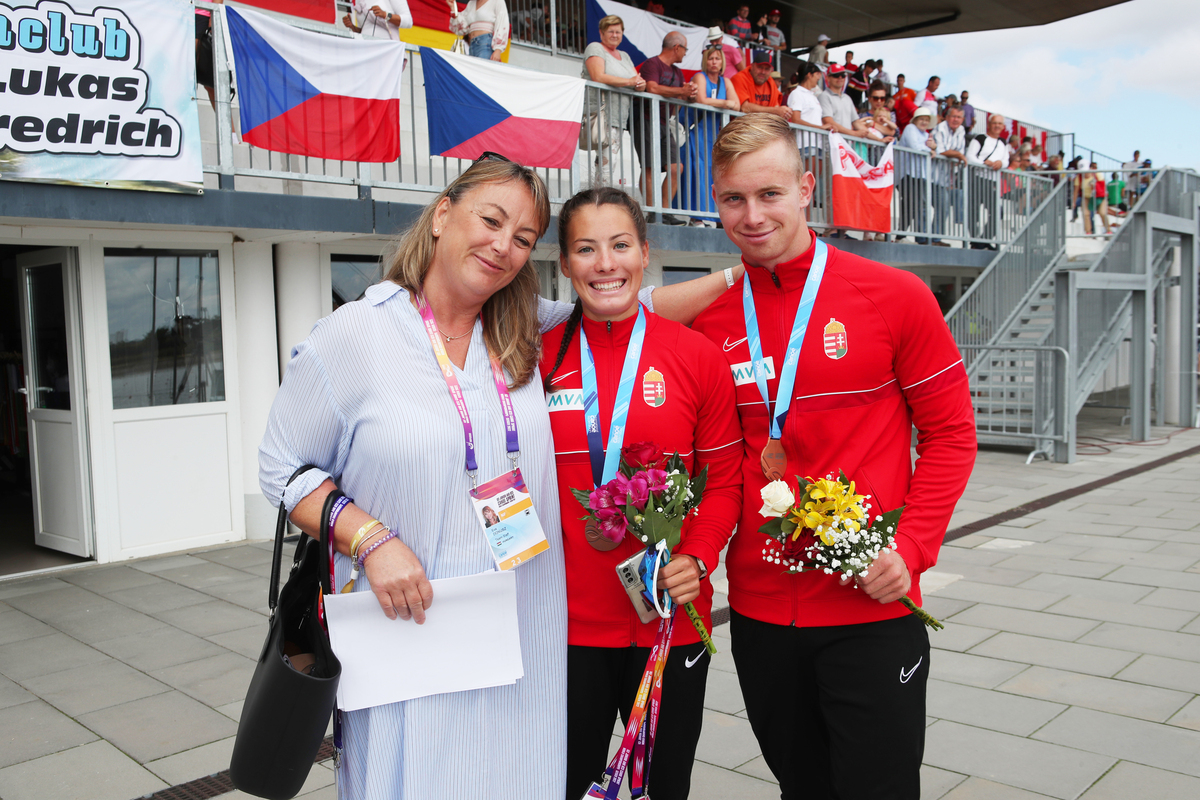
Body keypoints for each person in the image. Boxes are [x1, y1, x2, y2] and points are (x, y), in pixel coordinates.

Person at [259, 153, 740, 800]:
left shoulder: (520, 327)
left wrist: (748, 264)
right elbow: (280, 466)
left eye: (522, 237)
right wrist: (368, 538)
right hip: (409, 621)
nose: (502, 246)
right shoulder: (356, 334)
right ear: (441, 214)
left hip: (522, 634)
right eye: (491, 221)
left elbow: (628, 301)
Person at [691, 113, 976, 800]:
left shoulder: (895, 297)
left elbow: (951, 435)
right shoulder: (709, 319)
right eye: (733, 198)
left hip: (870, 608)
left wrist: (912, 547)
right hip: (760, 613)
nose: (752, 216)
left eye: (770, 194)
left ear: (806, 188)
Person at [544, 187, 743, 800]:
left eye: (620, 245)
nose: (605, 264)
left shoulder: (696, 356)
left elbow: (725, 480)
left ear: (645, 253)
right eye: (586, 249)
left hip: (667, 621)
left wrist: (698, 556)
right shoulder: (532, 358)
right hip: (561, 626)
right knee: (565, 784)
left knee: (660, 788)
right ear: (565, 263)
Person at [635, 32, 699, 225]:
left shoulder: (677, 72)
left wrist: (691, 94)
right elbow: (652, 88)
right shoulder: (652, 64)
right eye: (685, 49)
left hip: (664, 122)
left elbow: (682, 96)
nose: (685, 53)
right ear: (677, 47)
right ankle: (652, 213)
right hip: (645, 118)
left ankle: (663, 212)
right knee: (649, 167)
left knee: (676, 167)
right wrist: (681, 91)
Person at [581, 15, 647, 188]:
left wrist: (640, 85)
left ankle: (598, 193)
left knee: (609, 161)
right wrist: (630, 82)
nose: (615, 35)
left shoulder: (624, 55)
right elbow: (598, 76)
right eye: (611, 31)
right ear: (601, 33)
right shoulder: (595, 47)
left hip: (619, 116)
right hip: (601, 113)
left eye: (618, 32)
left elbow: (636, 80)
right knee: (606, 163)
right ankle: (599, 195)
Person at [684, 47, 741, 227]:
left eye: (717, 58)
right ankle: (697, 217)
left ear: (723, 61)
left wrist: (726, 104)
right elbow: (702, 100)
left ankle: (714, 216)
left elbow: (737, 105)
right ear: (705, 61)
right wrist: (725, 103)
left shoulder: (726, 81)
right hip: (699, 133)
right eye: (711, 59)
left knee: (714, 174)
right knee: (699, 172)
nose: (714, 62)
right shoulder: (700, 77)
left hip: (716, 136)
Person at [966, 113, 1008, 248]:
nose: (997, 126)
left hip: (992, 181)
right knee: (973, 211)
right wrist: (984, 163)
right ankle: (974, 240)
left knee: (997, 212)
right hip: (977, 178)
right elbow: (970, 156)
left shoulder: (1003, 142)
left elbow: (1006, 160)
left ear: (1003, 126)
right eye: (994, 123)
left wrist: (1000, 163)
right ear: (989, 124)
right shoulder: (980, 138)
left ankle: (984, 240)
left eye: (1000, 123)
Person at [898, 107, 936, 242]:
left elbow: (933, 151)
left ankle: (915, 237)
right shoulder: (910, 128)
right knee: (911, 204)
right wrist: (930, 149)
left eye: (926, 120)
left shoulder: (926, 135)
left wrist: (933, 147)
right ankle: (903, 235)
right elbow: (915, 147)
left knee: (916, 205)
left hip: (920, 175)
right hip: (906, 174)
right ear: (915, 120)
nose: (924, 122)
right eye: (921, 119)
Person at [931, 105, 966, 244]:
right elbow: (941, 151)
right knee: (942, 206)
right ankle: (933, 238)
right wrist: (958, 155)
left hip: (945, 179)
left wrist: (957, 155)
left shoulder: (961, 130)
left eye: (959, 117)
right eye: (953, 116)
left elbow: (959, 152)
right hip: (932, 177)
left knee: (944, 206)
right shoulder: (940, 128)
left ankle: (935, 238)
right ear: (947, 117)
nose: (956, 119)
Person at [732, 51, 792, 121]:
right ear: (752, 66)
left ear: (771, 71)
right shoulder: (739, 78)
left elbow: (776, 106)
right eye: (760, 67)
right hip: (742, 125)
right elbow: (744, 108)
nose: (763, 72)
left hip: (763, 125)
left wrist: (784, 112)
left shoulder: (770, 82)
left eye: (767, 69)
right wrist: (776, 111)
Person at [818, 64, 858, 137]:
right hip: (832, 141)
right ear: (828, 78)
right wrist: (854, 133)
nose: (840, 78)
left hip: (846, 142)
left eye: (843, 75)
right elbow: (828, 122)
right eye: (836, 75)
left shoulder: (847, 98)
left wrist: (878, 139)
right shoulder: (824, 96)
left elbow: (857, 122)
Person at [347, 0, 413, 40]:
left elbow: (409, 21)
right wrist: (352, 27)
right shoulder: (359, 1)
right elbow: (365, 30)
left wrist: (385, 15)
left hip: (386, 48)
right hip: (365, 48)